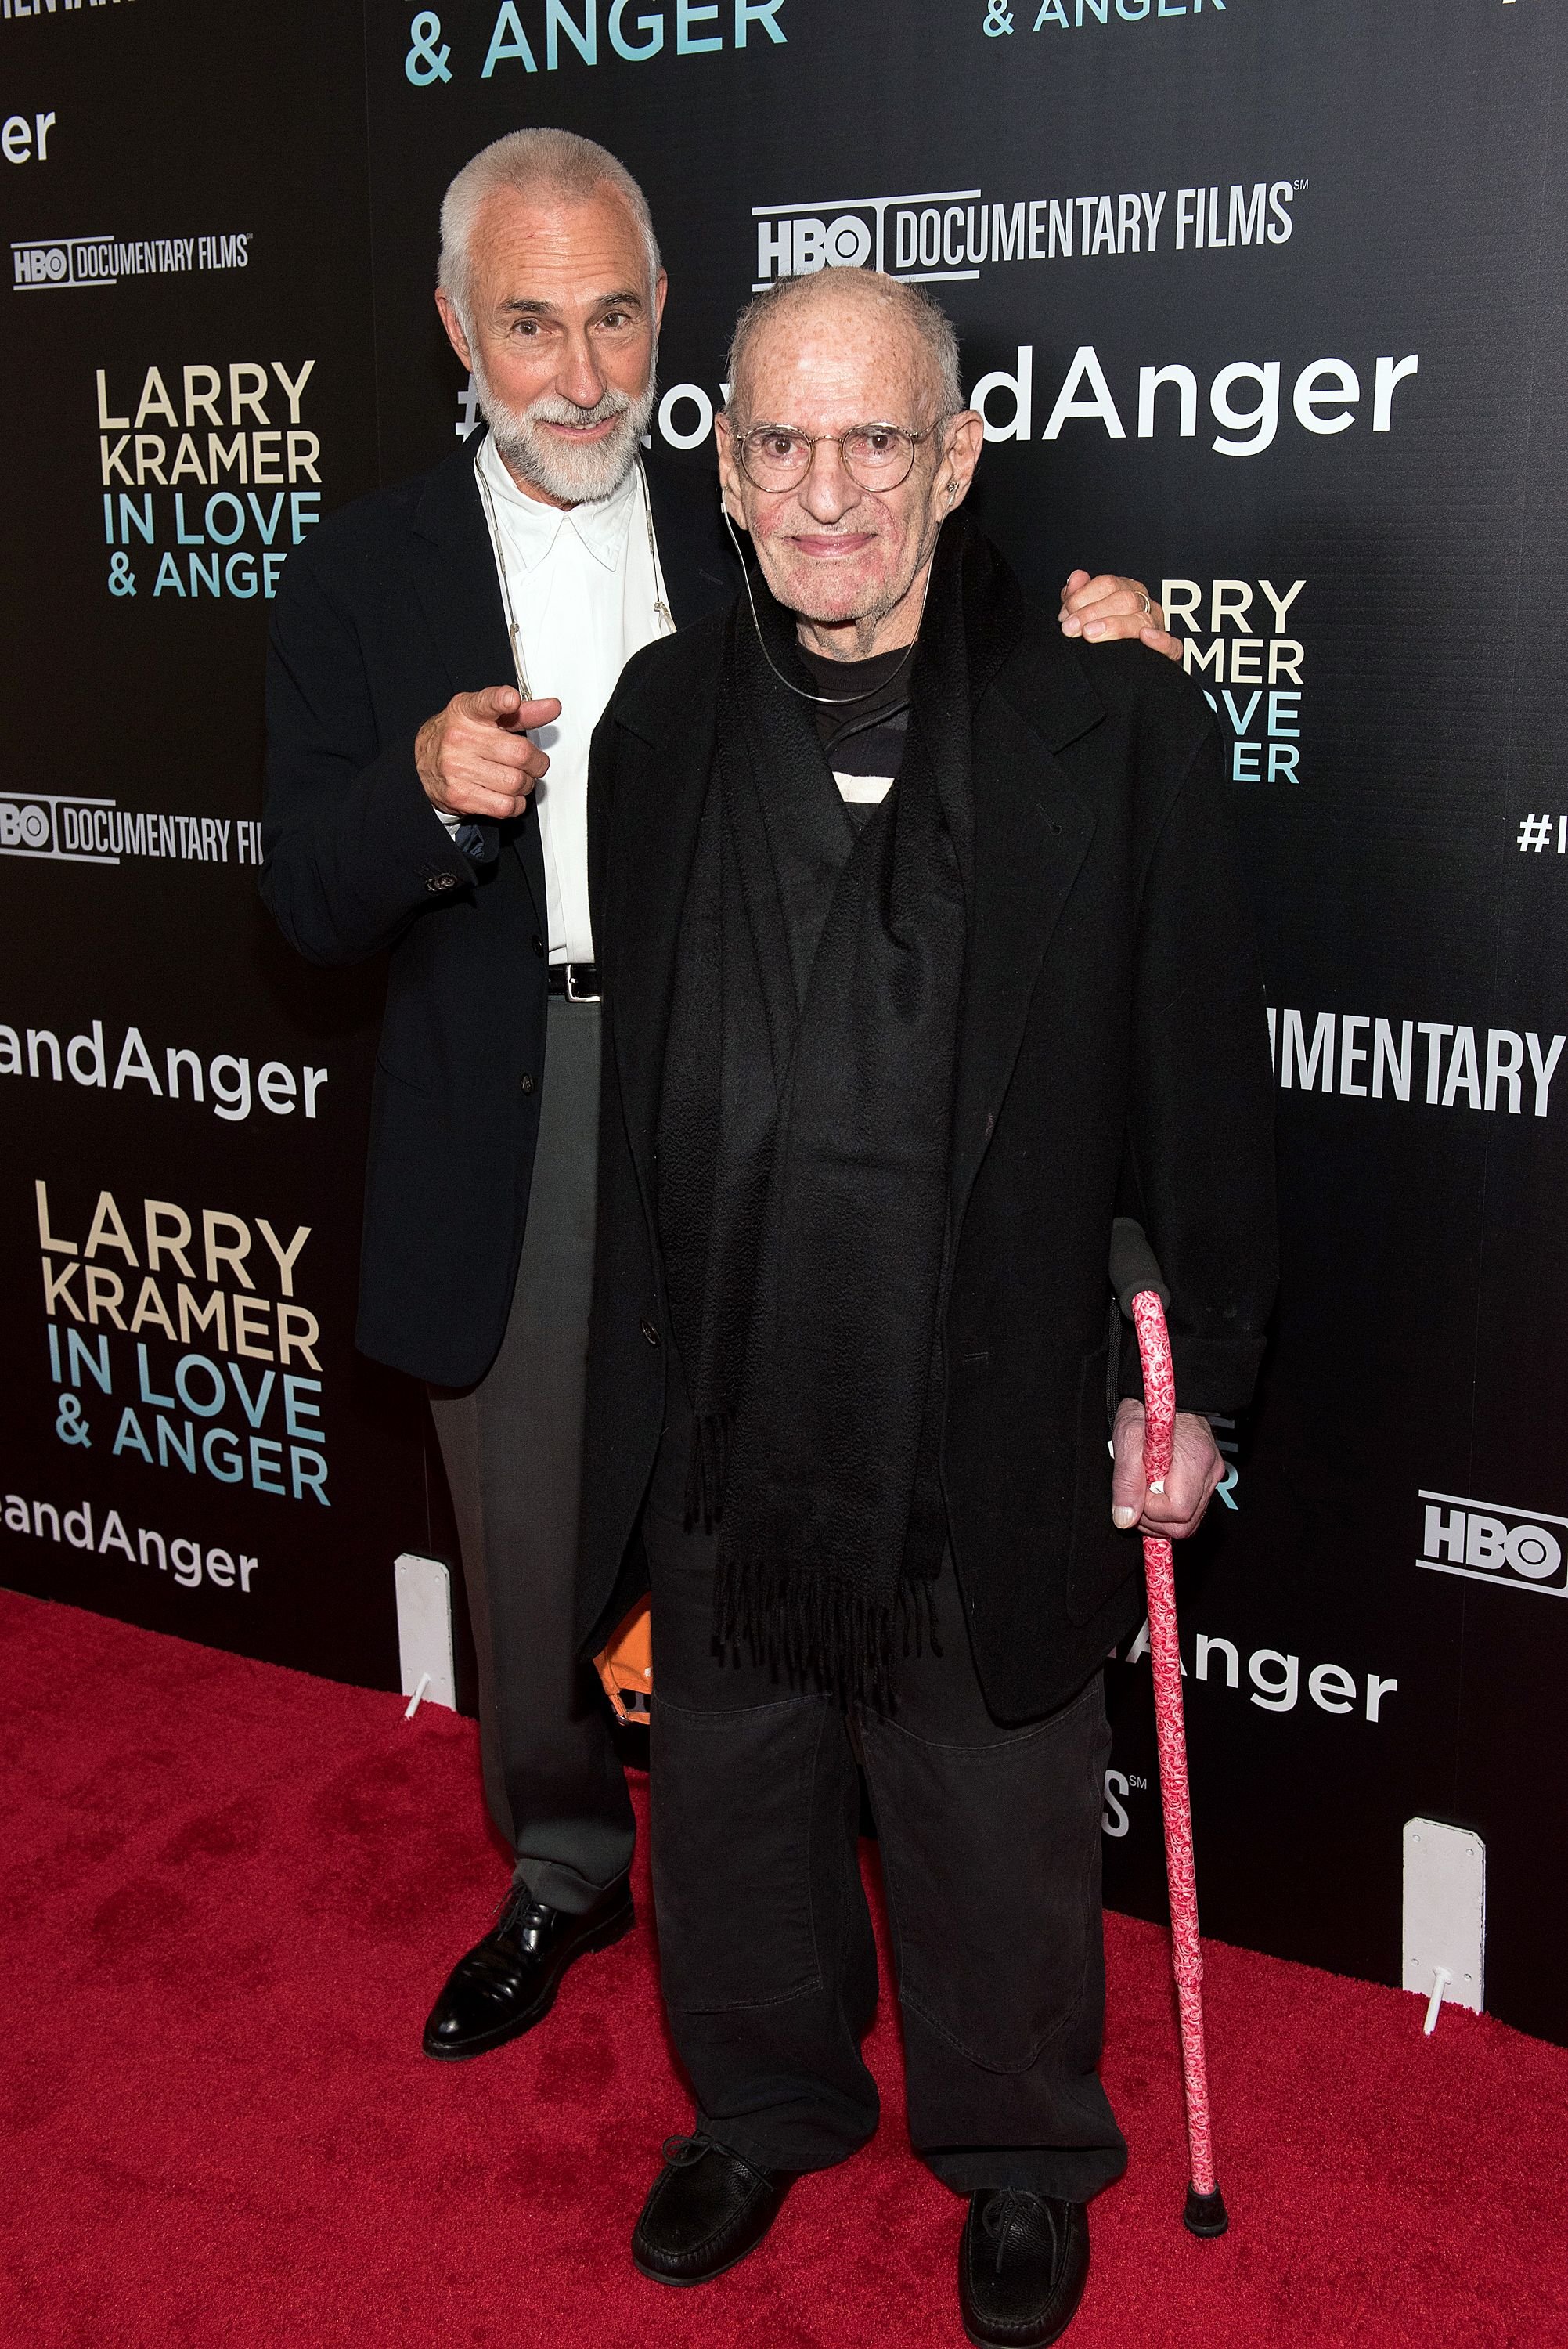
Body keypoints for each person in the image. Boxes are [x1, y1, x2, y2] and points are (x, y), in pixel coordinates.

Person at [261, 127, 1184, 2069]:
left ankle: (807, 1882)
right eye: (531, 324)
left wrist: (1094, 643)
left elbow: (943, 627)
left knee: (763, 1510)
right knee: (541, 1549)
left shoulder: (762, 494)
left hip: (780, 1085)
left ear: (667, 315)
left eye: (614, 315)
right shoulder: (362, 569)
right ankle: (568, 1867)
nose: (582, 370)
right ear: (455, 328)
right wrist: (420, 790)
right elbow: (298, 891)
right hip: (521, 1104)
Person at [575, 266, 1277, 2347]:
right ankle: (765, 2102)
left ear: (957, 456)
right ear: (720, 466)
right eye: (778, 442)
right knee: (730, 1795)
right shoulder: (658, 726)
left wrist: (1202, 1382)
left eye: (876, 438)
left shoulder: (1113, 716)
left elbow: (1197, 1084)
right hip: (722, 1396)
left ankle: (1015, 2148)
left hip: (987, 1391)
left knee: (989, 1818)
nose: (826, 491)